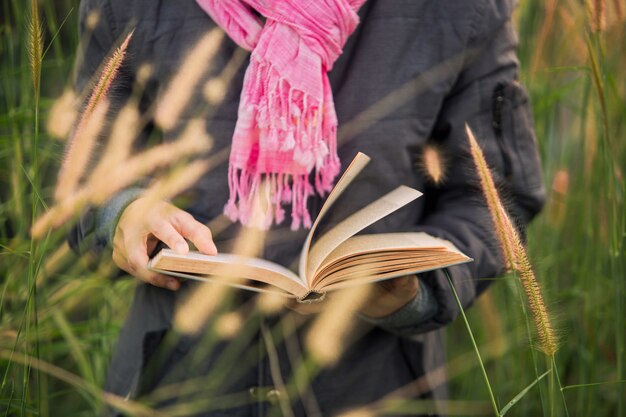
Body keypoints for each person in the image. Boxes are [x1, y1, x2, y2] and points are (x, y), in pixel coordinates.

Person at [68, 0, 546, 416]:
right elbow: (83, 167)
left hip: (376, 389)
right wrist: (122, 212)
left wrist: (417, 292)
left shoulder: (460, 9)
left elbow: (496, 198)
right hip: (175, 384)